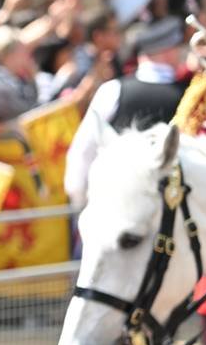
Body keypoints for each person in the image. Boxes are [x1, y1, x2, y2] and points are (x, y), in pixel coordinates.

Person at [64, 16, 188, 208]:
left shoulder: (113, 90)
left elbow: (82, 152)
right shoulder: (190, 94)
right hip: (173, 210)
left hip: (118, 209)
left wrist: (80, 204)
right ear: (168, 51)